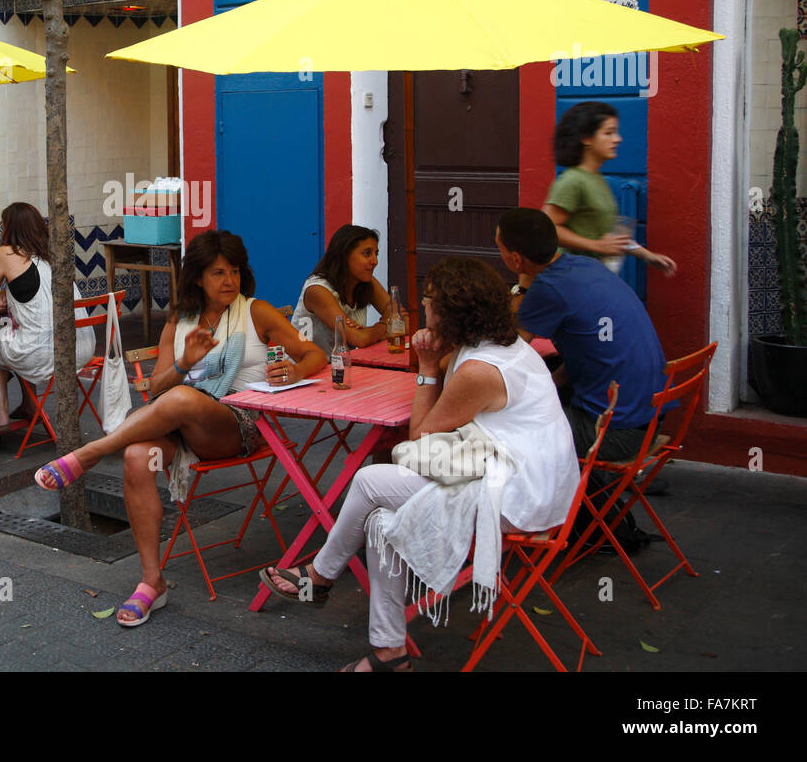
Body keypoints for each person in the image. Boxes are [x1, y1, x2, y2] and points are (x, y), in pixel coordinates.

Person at [260, 257, 577, 672]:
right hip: (525, 476)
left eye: (428, 302)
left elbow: (421, 439)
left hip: (521, 497)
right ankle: (389, 652)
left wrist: (428, 366)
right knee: (378, 523)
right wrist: (436, 356)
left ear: (451, 312)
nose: (421, 309)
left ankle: (319, 577)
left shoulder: (480, 369)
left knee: (371, 480)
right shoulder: (497, 346)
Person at [34, 229, 326, 628]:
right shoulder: (180, 318)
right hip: (183, 424)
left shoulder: (255, 311)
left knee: (185, 399)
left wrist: (292, 370)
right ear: (198, 278)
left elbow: (315, 354)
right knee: (138, 456)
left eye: (235, 272)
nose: (229, 282)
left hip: (238, 426)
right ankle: (151, 582)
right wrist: (186, 364)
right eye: (219, 273)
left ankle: (92, 451)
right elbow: (156, 388)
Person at [495, 207, 666, 501]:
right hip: (649, 418)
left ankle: (533, 518)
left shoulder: (545, 288)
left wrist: (521, 288)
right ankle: (589, 505)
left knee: (504, 430)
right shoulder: (586, 266)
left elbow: (506, 349)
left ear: (516, 259)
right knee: (544, 394)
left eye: (499, 248)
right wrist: (552, 380)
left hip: (615, 434)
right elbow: (588, 352)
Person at [0, 202, 94, 434]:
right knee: (18, 334)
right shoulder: (54, 255)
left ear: (9, 228)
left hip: (43, 353)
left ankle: (0, 413)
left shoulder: (6, 253)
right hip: (81, 348)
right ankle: (30, 405)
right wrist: (5, 295)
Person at [544, 101, 676, 276]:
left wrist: (646, 255)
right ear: (586, 138)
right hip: (575, 278)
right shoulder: (572, 180)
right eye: (608, 133)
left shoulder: (596, 179)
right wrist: (597, 246)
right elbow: (548, 228)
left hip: (597, 276)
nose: (617, 139)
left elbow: (604, 234)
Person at [292, 224, 402, 354]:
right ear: (344, 255)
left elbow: (402, 320)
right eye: (367, 254)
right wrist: (385, 324)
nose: (375, 261)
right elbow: (359, 339)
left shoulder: (365, 281)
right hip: (307, 369)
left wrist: (370, 333)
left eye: (376, 254)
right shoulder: (317, 290)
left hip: (342, 364)